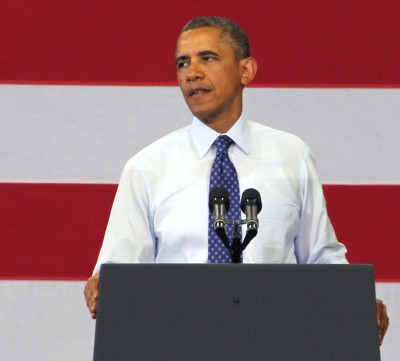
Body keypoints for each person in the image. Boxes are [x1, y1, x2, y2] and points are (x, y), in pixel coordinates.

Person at [84, 16, 388, 343]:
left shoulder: (291, 155)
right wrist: (102, 285)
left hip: (274, 340)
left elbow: (322, 257)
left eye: (208, 58)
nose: (191, 72)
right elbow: (119, 274)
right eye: (182, 63)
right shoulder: (146, 167)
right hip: (179, 341)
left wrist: (355, 303)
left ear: (246, 71)